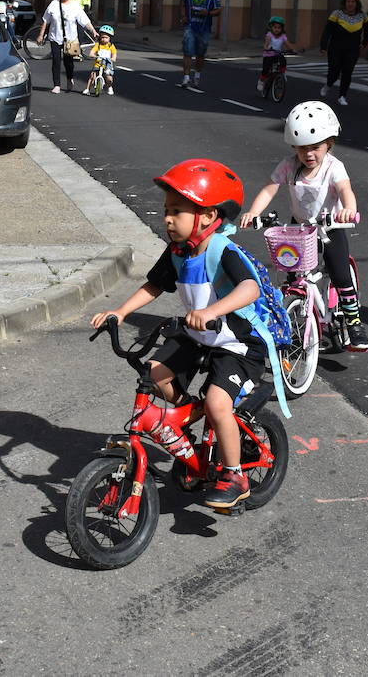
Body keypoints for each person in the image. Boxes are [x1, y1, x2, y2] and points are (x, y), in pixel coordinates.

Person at [90, 159, 273, 511]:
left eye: (177, 211)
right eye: (166, 211)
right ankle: (189, 428)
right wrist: (121, 311)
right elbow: (155, 284)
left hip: (236, 343)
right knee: (155, 373)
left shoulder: (222, 251)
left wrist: (210, 312)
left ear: (207, 216)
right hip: (198, 335)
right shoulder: (178, 251)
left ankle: (234, 475)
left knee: (219, 403)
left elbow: (250, 289)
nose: (168, 219)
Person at [240, 101, 368, 351]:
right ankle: (298, 318)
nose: (309, 154)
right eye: (302, 149)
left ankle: (354, 323)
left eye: (315, 148)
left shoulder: (334, 166)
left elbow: (345, 189)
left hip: (330, 228)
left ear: (329, 143)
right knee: (293, 276)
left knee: (341, 274)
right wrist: (254, 213)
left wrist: (348, 210)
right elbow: (270, 189)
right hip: (299, 229)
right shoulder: (289, 165)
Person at [35, 0, 95, 93]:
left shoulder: (75, 6)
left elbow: (84, 21)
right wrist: (40, 35)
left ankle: (69, 78)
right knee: (56, 61)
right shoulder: (53, 4)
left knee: (69, 62)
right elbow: (45, 21)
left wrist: (93, 31)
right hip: (55, 37)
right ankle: (56, 84)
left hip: (71, 39)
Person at [319, 0, 367, 105]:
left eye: (353, 2)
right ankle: (329, 84)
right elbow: (327, 31)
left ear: (357, 3)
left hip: (352, 50)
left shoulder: (362, 16)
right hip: (336, 48)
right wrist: (323, 46)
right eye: (348, 1)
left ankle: (342, 96)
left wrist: (365, 42)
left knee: (347, 72)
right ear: (345, 3)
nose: (350, 4)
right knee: (334, 71)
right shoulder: (336, 14)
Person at [180, 0, 221, 88]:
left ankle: (197, 75)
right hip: (190, 27)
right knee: (187, 51)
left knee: (200, 54)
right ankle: (186, 78)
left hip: (204, 29)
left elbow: (218, 10)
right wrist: (184, 16)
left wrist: (208, 12)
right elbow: (183, 5)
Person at [258, 15, 297, 94]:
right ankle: (261, 81)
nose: (277, 29)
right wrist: (266, 48)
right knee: (266, 69)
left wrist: (292, 49)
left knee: (283, 60)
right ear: (271, 27)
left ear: (282, 29)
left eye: (279, 28)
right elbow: (266, 43)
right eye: (275, 27)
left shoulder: (283, 36)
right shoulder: (269, 35)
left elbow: (287, 44)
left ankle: (282, 74)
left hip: (277, 54)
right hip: (269, 55)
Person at [83, 24, 118, 96]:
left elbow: (114, 53)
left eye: (106, 37)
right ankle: (87, 89)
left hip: (107, 63)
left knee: (109, 78)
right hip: (98, 63)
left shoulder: (111, 46)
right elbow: (92, 53)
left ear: (110, 38)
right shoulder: (98, 45)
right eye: (102, 37)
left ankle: (110, 86)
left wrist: (113, 58)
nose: (104, 39)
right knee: (92, 76)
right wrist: (93, 55)